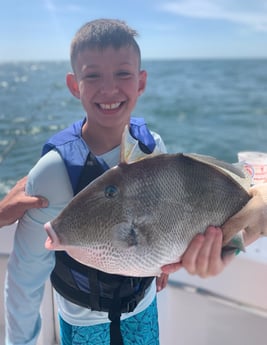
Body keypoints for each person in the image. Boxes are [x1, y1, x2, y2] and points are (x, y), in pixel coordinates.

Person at [4, 18, 257, 345]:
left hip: (143, 307)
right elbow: (25, 278)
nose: (109, 88)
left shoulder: (153, 146)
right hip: (83, 319)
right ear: (73, 84)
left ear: (140, 82)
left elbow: (172, 216)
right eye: (93, 75)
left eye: (123, 74)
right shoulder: (53, 170)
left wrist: (162, 267)